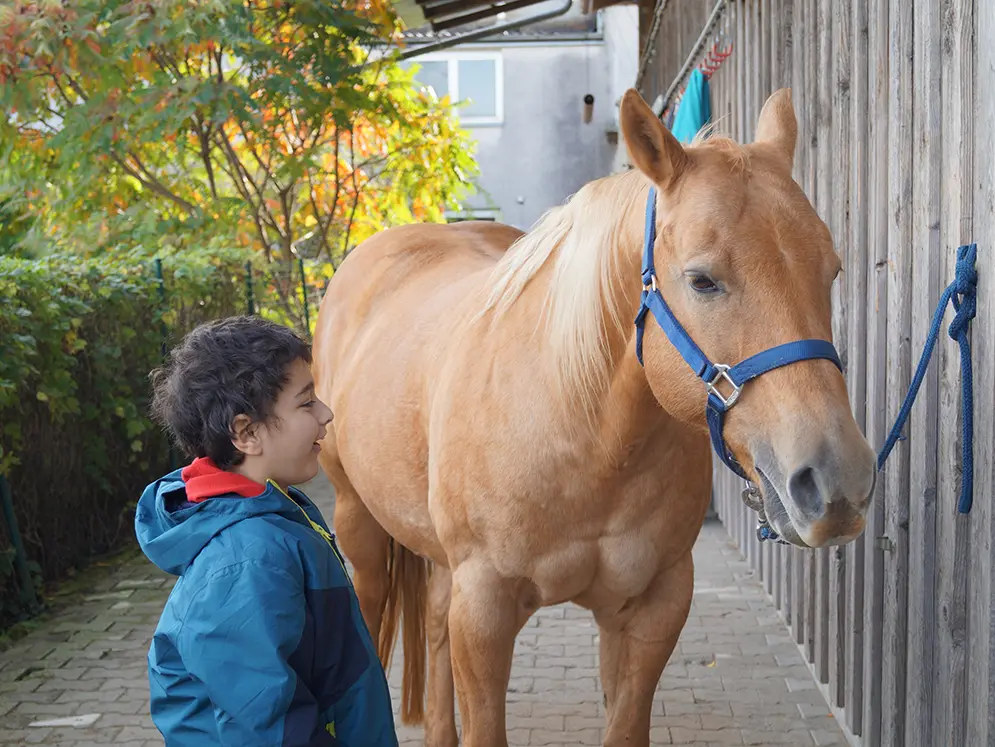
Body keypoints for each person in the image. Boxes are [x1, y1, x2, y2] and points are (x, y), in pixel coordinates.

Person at [135, 315, 397, 746]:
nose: (326, 413)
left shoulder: (269, 510)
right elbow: (268, 726)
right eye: (306, 402)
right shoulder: (247, 559)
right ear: (246, 433)